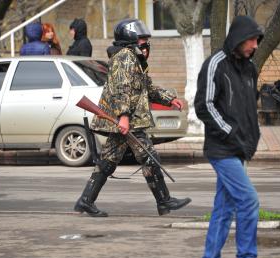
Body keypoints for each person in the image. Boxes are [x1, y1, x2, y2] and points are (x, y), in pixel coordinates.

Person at [73, 18, 191, 217]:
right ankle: (164, 201)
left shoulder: (134, 60)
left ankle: (85, 201)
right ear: (130, 39)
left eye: (146, 39)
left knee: (108, 161)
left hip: (125, 120)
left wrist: (169, 99)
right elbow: (122, 89)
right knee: (149, 156)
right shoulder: (125, 57)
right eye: (142, 39)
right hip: (128, 120)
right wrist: (124, 117)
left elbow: (148, 88)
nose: (146, 43)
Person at [194, 16, 275, 258]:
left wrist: (252, 135)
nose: (255, 45)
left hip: (239, 147)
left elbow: (249, 106)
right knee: (248, 200)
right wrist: (229, 132)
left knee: (223, 209)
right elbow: (204, 105)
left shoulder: (249, 67)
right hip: (222, 148)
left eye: (257, 40)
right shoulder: (215, 64)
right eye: (251, 40)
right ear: (239, 38)